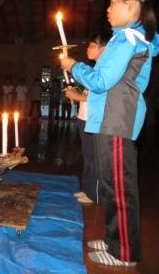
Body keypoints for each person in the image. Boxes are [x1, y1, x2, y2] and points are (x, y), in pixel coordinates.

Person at [61, 0, 159, 266]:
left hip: (117, 119)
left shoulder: (128, 40)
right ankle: (112, 240)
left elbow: (101, 81)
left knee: (119, 188)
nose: (107, 9)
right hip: (110, 118)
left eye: (112, 3)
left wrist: (73, 65)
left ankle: (124, 252)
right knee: (110, 186)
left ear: (131, 6)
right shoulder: (127, 39)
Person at [64, 35, 107, 206]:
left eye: (92, 45)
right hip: (85, 117)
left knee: (94, 158)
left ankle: (96, 194)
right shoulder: (95, 69)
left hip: (95, 119)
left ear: (103, 48)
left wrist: (78, 97)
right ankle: (88, 189)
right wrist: (77, 93)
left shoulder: (105, 70)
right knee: (88, 156)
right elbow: (89, 94)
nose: (88, 49)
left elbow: (103, 97)